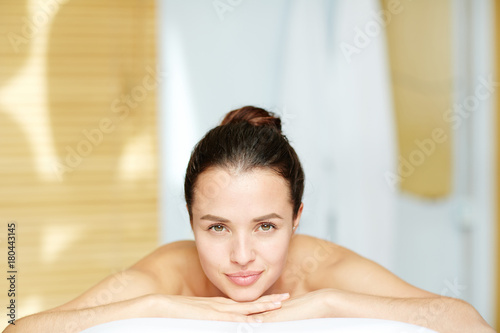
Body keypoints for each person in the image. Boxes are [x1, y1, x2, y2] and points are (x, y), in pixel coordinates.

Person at [7, 106, 494, 333]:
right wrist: (159, 307)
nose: (242, 256)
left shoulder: (322, 267)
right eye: (217, 227)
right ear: (191, 220)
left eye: (266, 226)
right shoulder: (172, 272)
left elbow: (465, 322)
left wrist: (329, 304)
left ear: (297, 218)